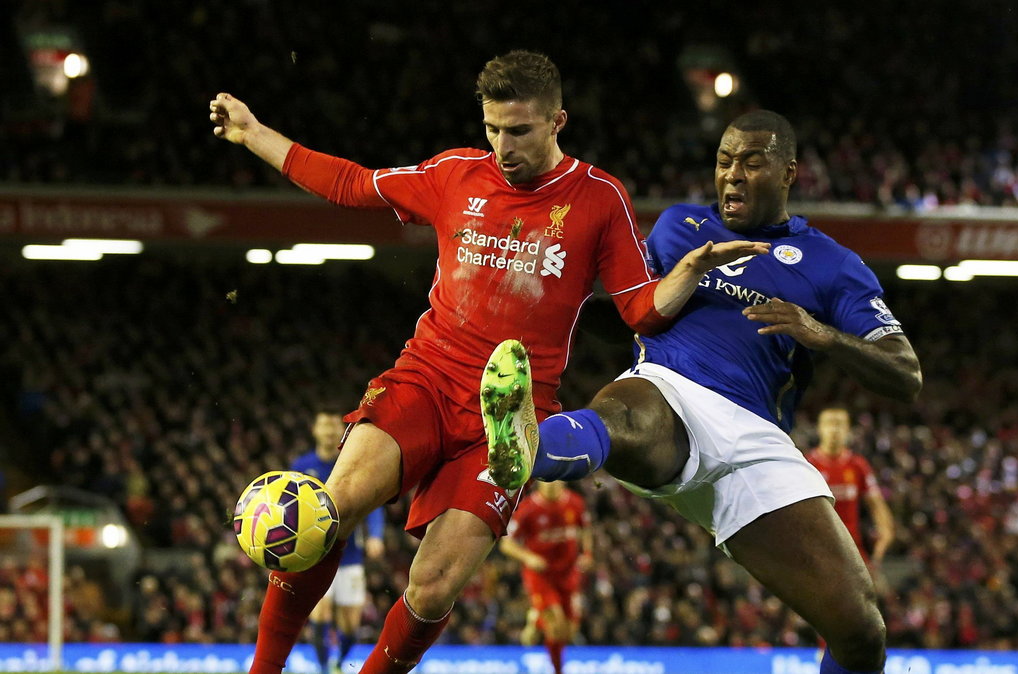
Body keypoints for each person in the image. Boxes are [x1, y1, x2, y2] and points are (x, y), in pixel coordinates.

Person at [209, 49, 766, 674]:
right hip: (427, 375)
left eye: (520, 131)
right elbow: (352, 184)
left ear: (558, 121)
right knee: (328, 511)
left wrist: (687, 272)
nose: (503, 146)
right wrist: (254, 133)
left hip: (509, 415)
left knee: (433, 586)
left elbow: (639, 309)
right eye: (493, 129)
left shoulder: (599, 198)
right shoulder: (455, 174)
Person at [482, 110, 922, 674]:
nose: (732, 175)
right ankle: (528, 445)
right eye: (723, 161)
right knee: (628, 409)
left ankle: (537, 443)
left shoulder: (833, 265)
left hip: (757, 442)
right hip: (669, 388)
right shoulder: (678, 228)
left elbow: (905, 374)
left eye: (751, 163)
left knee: (860, 630)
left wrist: (824, 336)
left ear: (789, 172)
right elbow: (626, 308)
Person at [291, 409, 386, 674]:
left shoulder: (350, 463)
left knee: (351, 627)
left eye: (334, 425)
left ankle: (338, 664)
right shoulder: (301, 466)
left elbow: (373, 503)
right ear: (315, 430)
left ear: (342, 430)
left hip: (350, 556)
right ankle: (323, 669)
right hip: (314, 554)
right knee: (320, 613)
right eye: (324, 424)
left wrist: (375, 536)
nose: (329, 430)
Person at [499, 481, 591, 674]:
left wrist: (587, 553)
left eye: (556, 481)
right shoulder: (528, 509)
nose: (552, 485)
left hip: (568, 574)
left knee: (570, 631)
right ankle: (558, 670)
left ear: (564, 481)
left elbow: (586, 529)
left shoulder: (575, 503)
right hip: (541, 576)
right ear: (539, 483)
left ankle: (536, 619)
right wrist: (528, 557)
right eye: (547, 481)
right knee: (556, 626)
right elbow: (506, 545)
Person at [804, 406, 895, 569]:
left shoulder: (857, 465)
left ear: (847, 430)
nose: (834, 429)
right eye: (829, 424)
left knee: (878, 592)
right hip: (817, 551)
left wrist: (885, 532)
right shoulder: (808, 465)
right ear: (819, 429)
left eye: (839, 424)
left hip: (852, 550)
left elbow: (877, 505)